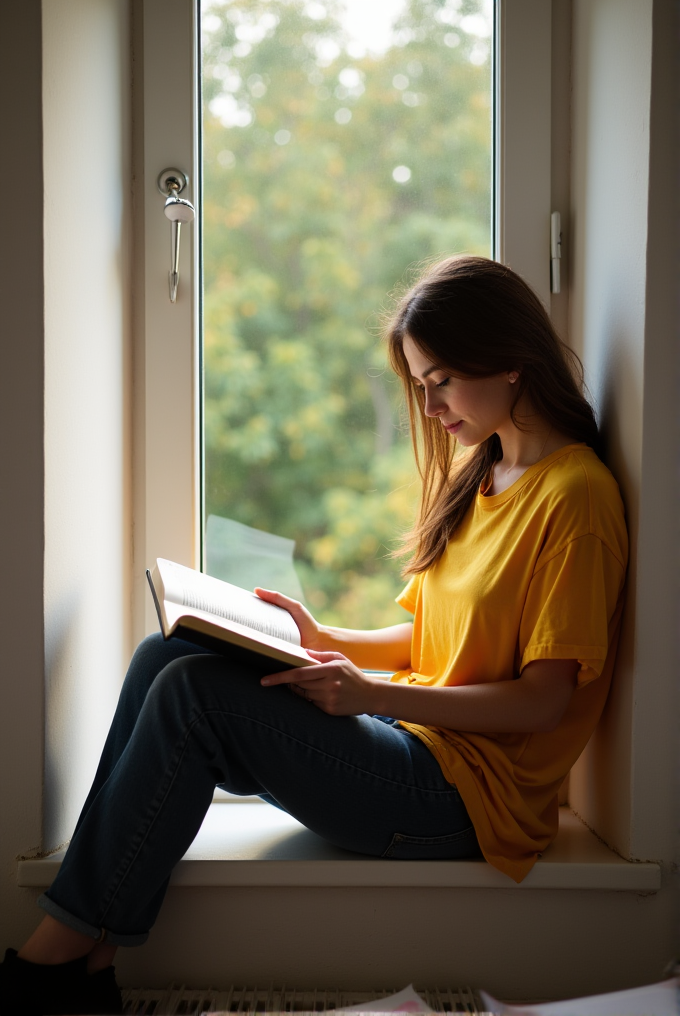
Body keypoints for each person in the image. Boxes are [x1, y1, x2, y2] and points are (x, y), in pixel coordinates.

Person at [0, 255, 627, 1016]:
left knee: (194, 696)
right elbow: (429, 637)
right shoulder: (488, 473)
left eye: (441, 382)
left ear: (512, 363)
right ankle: (87, 961)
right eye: (420, 387)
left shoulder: (578, 499)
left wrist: (368, 694)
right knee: (165, 653)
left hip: (466, 801)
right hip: (414, 740)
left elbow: (541, 703)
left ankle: (47, 969)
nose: (430, 409)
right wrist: (319, 635)